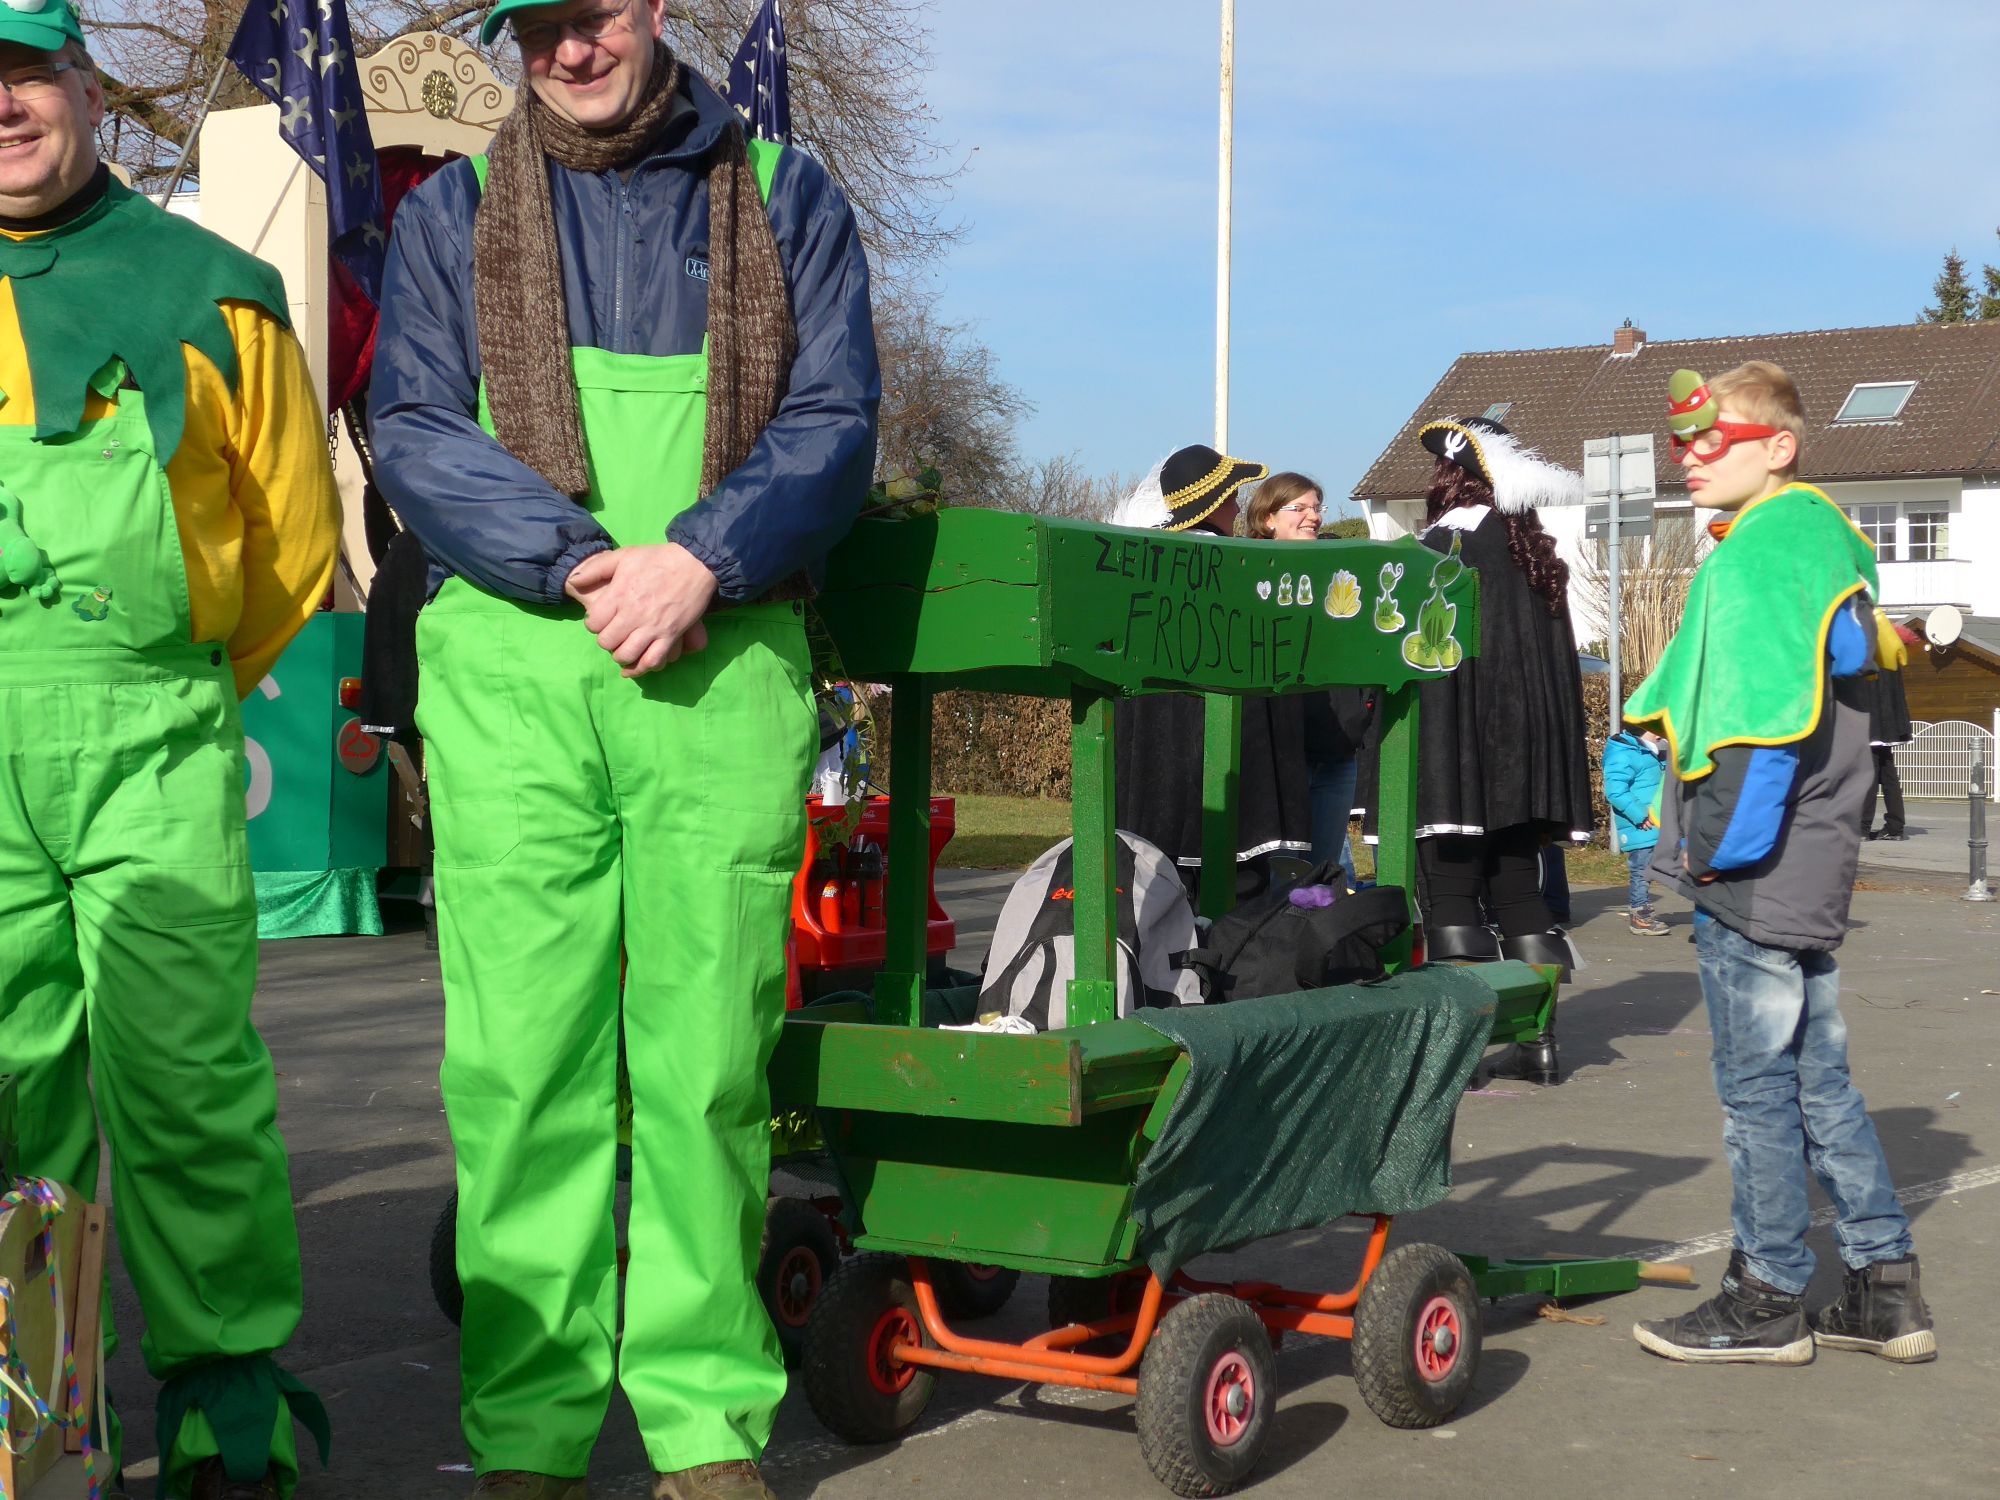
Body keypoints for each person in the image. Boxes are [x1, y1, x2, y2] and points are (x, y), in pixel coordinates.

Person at [367, 0, 879, 1493]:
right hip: (517, 673)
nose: (568, 51)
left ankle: (706, 1429)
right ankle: (526, 1436)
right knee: (520, 1068)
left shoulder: (786, 195)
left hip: (721, 664)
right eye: (534, 27)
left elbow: (834, 420)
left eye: (590, 15)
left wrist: (703, 557)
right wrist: (583, 563)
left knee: (707, 1067)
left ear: (653, 7)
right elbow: (414, 424)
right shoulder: (452, 212)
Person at [0, 5, 341, 1496]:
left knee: (186, 1077)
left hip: (155, 733)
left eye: (27, 75)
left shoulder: (223, 294)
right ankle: (34, 1415)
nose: (5, 106)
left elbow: (292, 546)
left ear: (87, 88)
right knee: (8, 1086)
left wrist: (161, 681)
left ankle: (224, 1402)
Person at [1627, 362, 1935, 1366]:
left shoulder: (1760, 554)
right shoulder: (1821, 543)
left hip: (1756, 874)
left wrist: (1714, 857)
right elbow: (1841, 661)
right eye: (1681, 443)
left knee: (1756, 1093)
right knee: (1818, 1081)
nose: (1689, 457)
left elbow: (1758, 727)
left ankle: (1764, 1296)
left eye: (1711, 439)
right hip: (1811, 864)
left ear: (1778, 447)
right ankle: (1883, 1292)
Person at [1362, 417, 1595, 1084]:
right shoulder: (1534, 559)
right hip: (1521, 768)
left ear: (1451, 476)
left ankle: (1458, 1053)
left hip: (1447, 761)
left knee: (1451, 901)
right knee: (1521, 896)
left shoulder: (1433, 551)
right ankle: (1539, 1042)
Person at [1111, 446, 1314, 898]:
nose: (1238, 508)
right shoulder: (1240, 566)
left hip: (1156, 770)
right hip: (1225, 761)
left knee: (1162, 893)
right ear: (1210, 501)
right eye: (1231, 498)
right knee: (1234, 895)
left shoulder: (1142, 563)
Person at [1246, 472, 1370, 887]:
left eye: (1317, 507)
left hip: (1334, 752)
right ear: (1268, 518)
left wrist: (1358, 712)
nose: (1312, 516)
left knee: (1321, 876)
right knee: (1279, 879)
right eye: (1298, 507)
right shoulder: (1248, 576)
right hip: (1277, 759)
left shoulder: (1340, 572)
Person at [1603, 728, 1670, 935]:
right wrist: (1640, 815)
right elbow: (1615, 791)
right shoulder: (1624, 753)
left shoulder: (1652, 751)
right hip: (1641, 825)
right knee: (1641, 871)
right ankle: (1640, 915)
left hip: (1657, 823)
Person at [1862, 634, 1914, 841]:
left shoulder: (1867, 647)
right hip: (1889, 722)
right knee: (1888, 774)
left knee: (1869, 774)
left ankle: (1862, 827)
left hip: (1871, 721)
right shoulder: (1892, 647)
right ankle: (1895, 827)